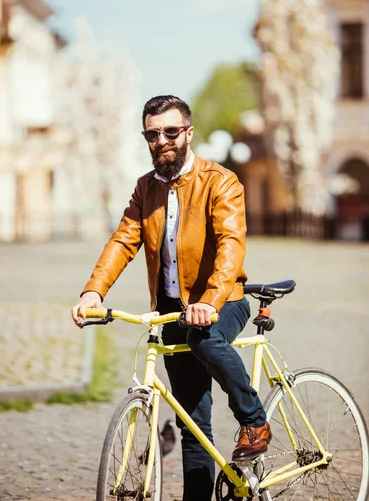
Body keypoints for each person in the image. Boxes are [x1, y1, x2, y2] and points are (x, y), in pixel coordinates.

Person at [71, 95, 271, 501]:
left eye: (170, 131)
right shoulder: (145, 189)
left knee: (205, 339)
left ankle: (254, 419)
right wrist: (94, 289)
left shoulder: (221, 181)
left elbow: (232, 245)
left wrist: (210, 302)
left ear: (188, 133)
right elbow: (123, 240)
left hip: (223, 301)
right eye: (151, 133)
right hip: (170, 311)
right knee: (191, 421)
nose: (161, 140)